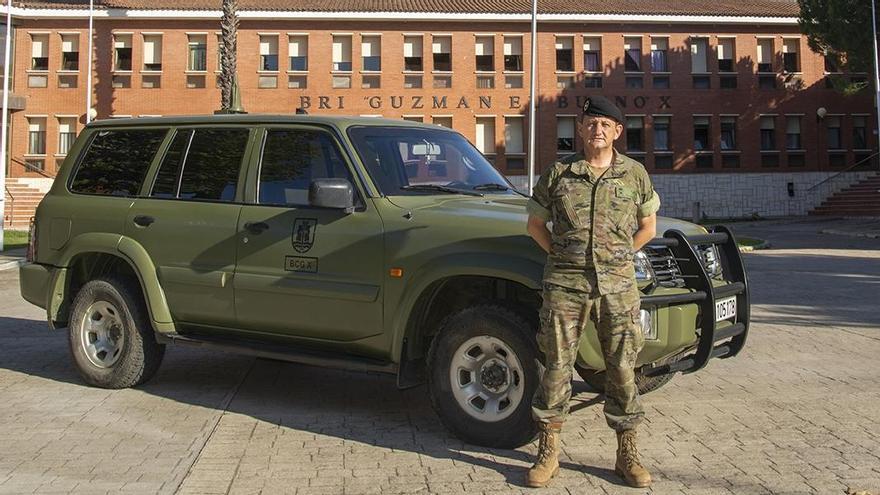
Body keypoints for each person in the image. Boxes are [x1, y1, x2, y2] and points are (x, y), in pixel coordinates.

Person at [524, 96, 660, 488]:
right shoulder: (558, 174)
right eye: (590, 123)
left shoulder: (634, 175)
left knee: (621, 368)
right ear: (580, 130)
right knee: (556, 366)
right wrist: (563, 258)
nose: (597, 130)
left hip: (617, 289)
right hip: (565, 286)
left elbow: (647, 226)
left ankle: (627, 453)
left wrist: (619, 257)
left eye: (605, 124)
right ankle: (548, 452)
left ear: (618, 131)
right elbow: (535, 226)